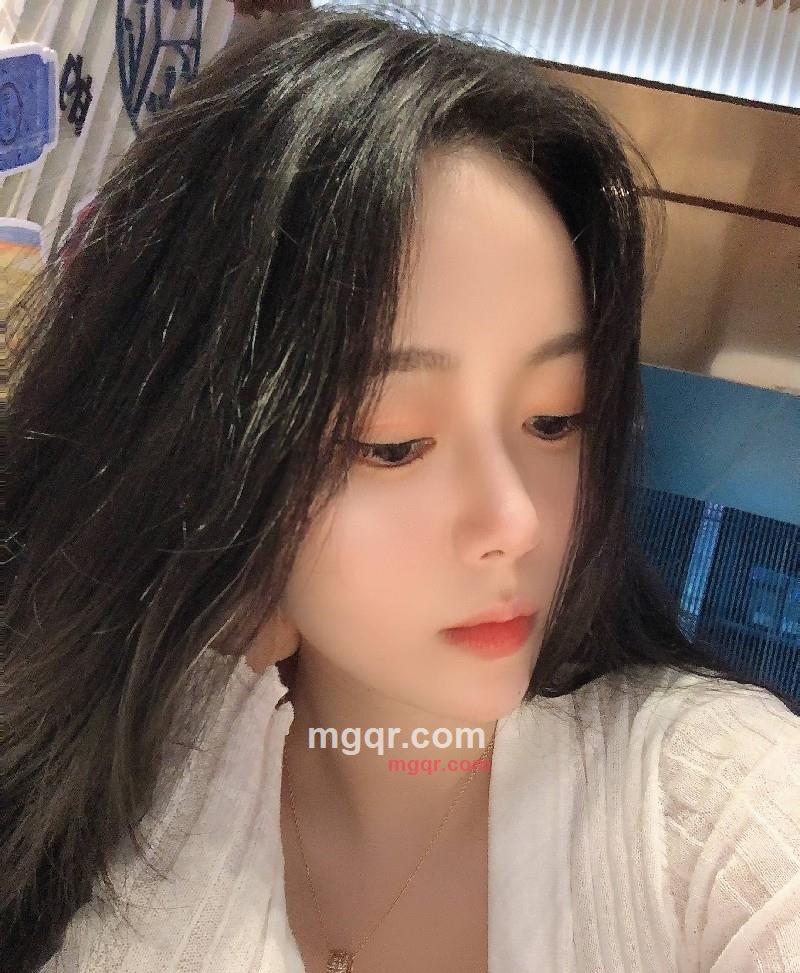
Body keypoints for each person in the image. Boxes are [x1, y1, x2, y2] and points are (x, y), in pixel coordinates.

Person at [4, 6, 799, 973]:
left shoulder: (709, 816)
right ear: (212, 451)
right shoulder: (101, 792)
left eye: (556, 419)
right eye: (395, 443)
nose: (516, 521)